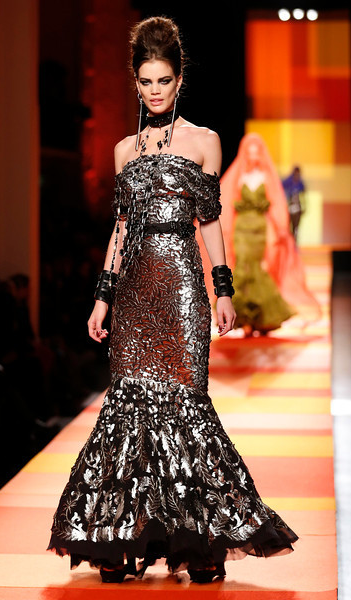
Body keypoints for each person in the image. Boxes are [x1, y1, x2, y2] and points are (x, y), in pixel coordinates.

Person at [47, 17, 298, 584]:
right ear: (135, 82)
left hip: (183, 289)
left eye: (163, 80)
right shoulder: (122, 151)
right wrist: (102, 299)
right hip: (134, 293)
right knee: (130, 409)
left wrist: (222, 289)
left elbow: (208, 221)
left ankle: (198, 539)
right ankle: (124, 538)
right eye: (145, 81)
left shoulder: (204, 141)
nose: (154, 91)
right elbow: (120, 229)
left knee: (186, 405)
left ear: (180, 79)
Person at [219, 133, 320, 335]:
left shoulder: (267, 177)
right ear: (244, 153)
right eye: (250, 152)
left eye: (256, 152)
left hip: (260, 229)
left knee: (258, 268)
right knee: (242, 268)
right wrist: (225, 231)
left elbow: (276, 206)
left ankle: (260, 318)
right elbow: (227, 204)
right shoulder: (237, 176)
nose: (253, 156)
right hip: (241, 230)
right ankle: (244, 319)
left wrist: (279, 229)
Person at [282, 166, 306, 243]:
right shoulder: (288, 182)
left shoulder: (300, 183)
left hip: (298, 208)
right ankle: (289, 243)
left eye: (298, 173)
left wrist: (304, 206)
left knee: (296, 227)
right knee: (289, 227)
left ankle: (294, 242)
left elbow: (303, 195)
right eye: (296, 173)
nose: (297, 175)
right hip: (289, 207)